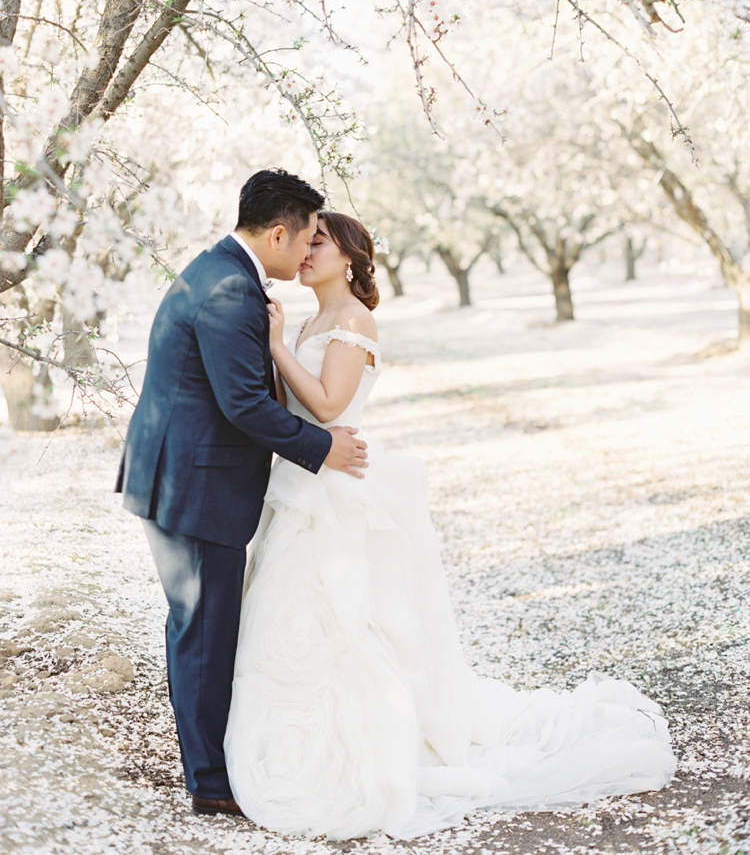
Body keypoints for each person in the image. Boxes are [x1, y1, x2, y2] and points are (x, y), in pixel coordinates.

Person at [224, 211, 676, 840]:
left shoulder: (355, 320)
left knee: (351, 621)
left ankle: (370, 743)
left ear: (350, 256)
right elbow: (289, 406)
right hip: (301, 485)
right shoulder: (308, 321)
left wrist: (275, 346)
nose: (304, 251)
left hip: (338, 489)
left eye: (318, 242)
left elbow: (328, 405)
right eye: (305, 241)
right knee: (293, 618)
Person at [116, 171, 368, 816]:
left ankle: (210, 764)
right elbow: (244, 404)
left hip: (184, 476)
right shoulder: (230, 290)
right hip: (193, 486)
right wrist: (322, 448)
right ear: (279, 232)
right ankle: (210, 783)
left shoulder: (219, 272)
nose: (310, 249)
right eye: (308, 235)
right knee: (204, 631)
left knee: (201, 627)